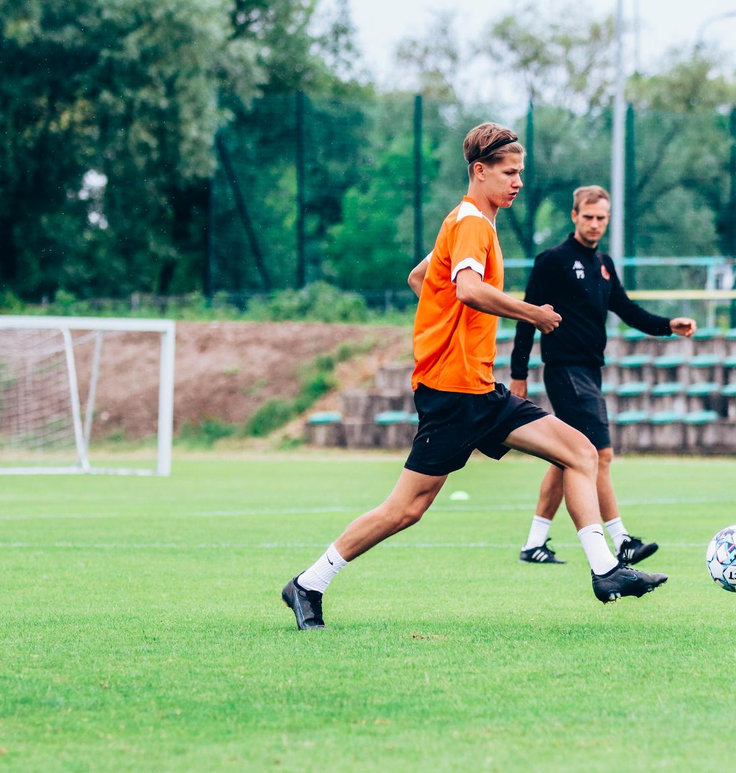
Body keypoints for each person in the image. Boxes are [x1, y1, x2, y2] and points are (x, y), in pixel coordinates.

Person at [282, 124, 667, 631]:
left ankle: (605, 571)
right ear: (480, 171)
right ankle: (308, 583)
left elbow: (422, 278)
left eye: (521, 173)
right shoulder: (471, 224)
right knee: (405, 509)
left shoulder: (469, 222)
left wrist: (444, 321)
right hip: (450, 393)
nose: (518, 182)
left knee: (580, 451)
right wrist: (531, 313)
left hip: (480, 391)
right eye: (509, 173)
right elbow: (466, 288)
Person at [507, 186, 697, 566]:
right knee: (600, 454)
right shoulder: (553, 261)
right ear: (574, 216)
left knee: (566, 457)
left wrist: (668, 325)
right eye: (588, 217)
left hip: (590, 372)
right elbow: (527, 317)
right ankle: (622, 540)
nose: (595, 224)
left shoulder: (603, 264)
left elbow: (627, 309)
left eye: (601, 218)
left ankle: (534, 543)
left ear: (608, 219)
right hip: (565, 370)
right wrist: (519, 374)